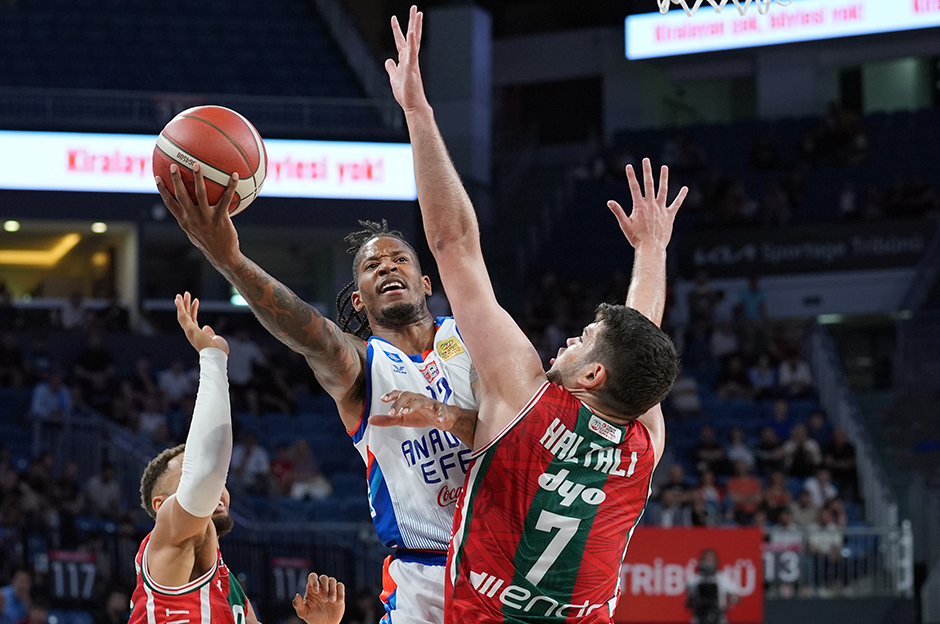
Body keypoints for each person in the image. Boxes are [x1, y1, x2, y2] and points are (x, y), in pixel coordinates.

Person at [155, 30, 669, 624]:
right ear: (358, 297)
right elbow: (311, 333)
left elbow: (615, 362)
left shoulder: (485, 352)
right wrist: (233, 262)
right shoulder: (363, 365)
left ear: (427, 283)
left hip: (493, 566)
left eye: (399, 259)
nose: (387, 268)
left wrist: (448, 416)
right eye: (372, 267)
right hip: (427, 576)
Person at [370, 8, 683, 622]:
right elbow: (637, 344)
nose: (570, 340)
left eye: (584, 338)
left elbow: (454, 246)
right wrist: (651, 252)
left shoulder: (524, 398)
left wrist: (419, 113)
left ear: (593, 375)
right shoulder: (644, 443)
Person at [131, 293, 344, 624]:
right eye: (185, 473)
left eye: (224, 481)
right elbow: (207, 470)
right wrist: (213, 357)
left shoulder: (230, 589)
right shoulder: (168, 534)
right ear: (161, 504)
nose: (219, 487)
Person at [685, 549, 738, 624]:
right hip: (699, 617)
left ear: (716, 561)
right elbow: (688, 603)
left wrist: (730, 600)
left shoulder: (723, 579)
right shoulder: (694, 580)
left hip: (718, 617)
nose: (708, 563)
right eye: (705, 560)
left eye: (710, 560)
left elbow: (737, 597)